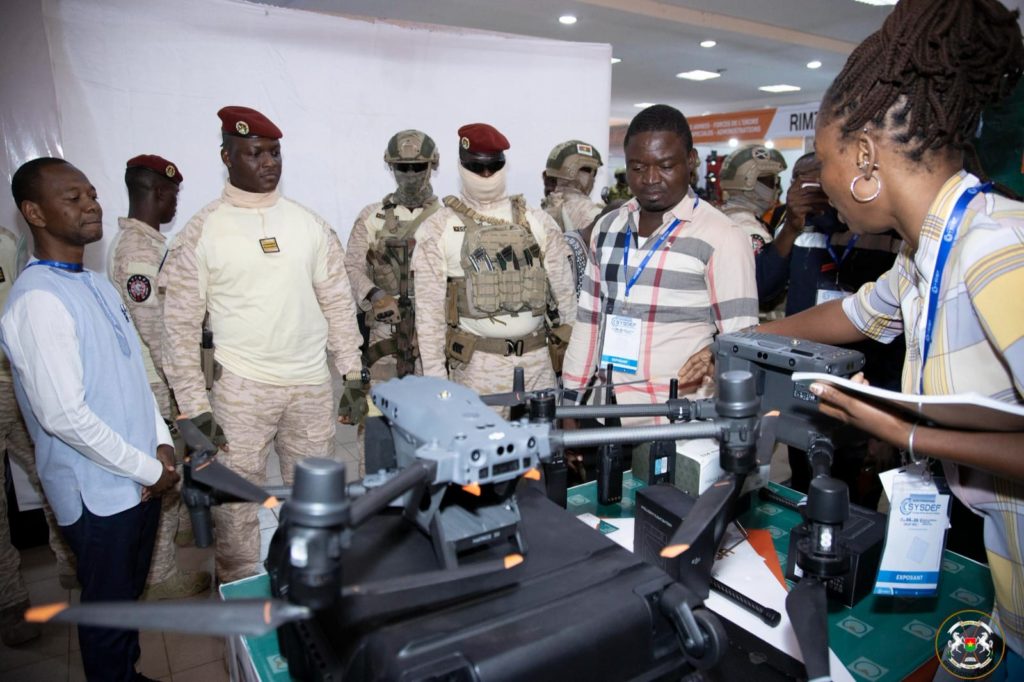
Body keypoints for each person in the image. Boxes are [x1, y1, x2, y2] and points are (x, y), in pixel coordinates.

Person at [742, 0, 1024, 671]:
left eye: (828, 162)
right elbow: (853, 317)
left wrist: (905, 432)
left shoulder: (994, 250)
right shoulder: (923, 255)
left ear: (866, 156)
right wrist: (744, 337)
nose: (824, 185)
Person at [160, 106, 365, 583]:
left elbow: (338, 304)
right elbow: (179, 330)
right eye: (255, 152)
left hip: (311, 386)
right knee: (235, 509)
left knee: (316, 501)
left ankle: (311, 589)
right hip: (240, 392)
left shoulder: (308, 224)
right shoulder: (203, 230)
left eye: (275, 152)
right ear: (227, 157)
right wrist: (193, 408)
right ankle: (242, 599)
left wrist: (353, 374)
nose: (269, 162)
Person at [2, 158, 178, 680]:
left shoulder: (96, 284)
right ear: (33, 212)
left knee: (123, 603)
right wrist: (147, 469)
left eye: (92, 194)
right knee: (105, 613)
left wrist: (162, 442)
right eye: (72, 198)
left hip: (135, 479)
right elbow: (64, 418)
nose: (91, 204)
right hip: (97, 494)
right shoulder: (37, 301)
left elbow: (132, 373)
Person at [561, 104, 758, 417]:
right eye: (637, 168)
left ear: (690, 161)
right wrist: (569, 404)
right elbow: (589, 321)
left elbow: (742, 340)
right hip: (604, 410)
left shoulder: (723, 236)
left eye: (665, 165)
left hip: (676, 419)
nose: (650, 178)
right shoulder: (608, 226)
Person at [411, 123, 576, 404]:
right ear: (462, 166)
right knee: (481, 447)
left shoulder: (538, 222)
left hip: (538, 366)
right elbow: (429, 318)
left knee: (539, 447)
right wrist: (438, 386)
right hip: (477, 370)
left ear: (503, 165)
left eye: (493, 166)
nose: (485, 175)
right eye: (476, 167)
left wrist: (573, 375)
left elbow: (566, 300)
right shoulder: (439, 228)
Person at [107, 154, 210, 599]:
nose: (174, 205)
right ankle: (160, 575)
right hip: (156, 380)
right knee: (162, 468)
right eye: (173, 196)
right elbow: (156, 331)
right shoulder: (137, 252)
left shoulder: (147, 244)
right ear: (160, 193)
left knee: (178, 462)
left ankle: (183, 534)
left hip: (163, 376)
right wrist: (184, 383)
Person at [344, 130, 440, 473]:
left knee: (434, 426)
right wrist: (374, 294)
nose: (411, 175)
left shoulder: (447, 220)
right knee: (377, 426)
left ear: (432, 166)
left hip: (432, 340)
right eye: (403, 167)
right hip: (385, 338)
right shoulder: (372, 217)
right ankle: (373, 505)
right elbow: (351, 268)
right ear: (391, 168)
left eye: (418, 167)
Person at [0, 223, 78, 647]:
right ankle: (11, 601)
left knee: (56, 478)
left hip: (21, 381)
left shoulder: (9, 242)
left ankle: (72, 563)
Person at [718, 143, 787, 255]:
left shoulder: (722, 214)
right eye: (771, 181)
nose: (776, 188)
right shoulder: (750, 228)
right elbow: (766, 270)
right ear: (750, 181)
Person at [542, 139, 605, 233]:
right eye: (593, 173)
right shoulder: (591, 213)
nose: (593, 179)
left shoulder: (549, 205)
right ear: (576, 172)